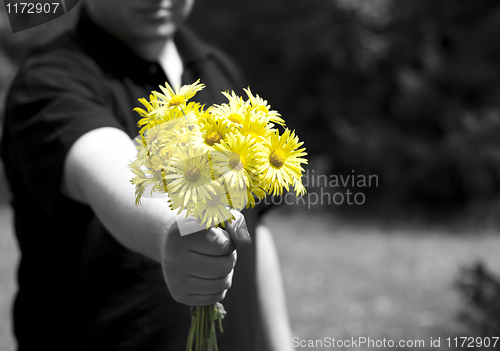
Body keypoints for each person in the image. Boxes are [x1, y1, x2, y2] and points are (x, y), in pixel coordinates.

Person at [0, 0, 294, 350]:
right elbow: (109, 170)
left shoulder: (218, 70)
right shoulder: (51, 78)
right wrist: (172, 230)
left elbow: (255, 231)